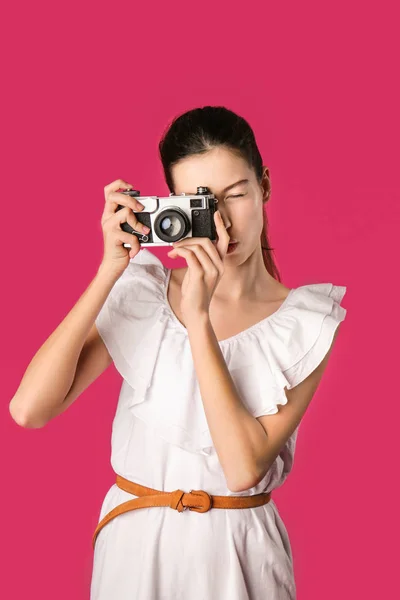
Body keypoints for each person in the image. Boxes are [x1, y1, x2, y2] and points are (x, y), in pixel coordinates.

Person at [9, 106, 347, 600]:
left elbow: (241, 468)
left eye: (236, 194)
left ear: (265, 186)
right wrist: (109, 270)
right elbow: (28, 410)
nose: (223, 221)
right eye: (200, 202)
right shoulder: (145, 290)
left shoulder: (306, 322)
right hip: (134, 547)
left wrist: (199, 320)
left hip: (240, 554)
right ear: (172, 206)